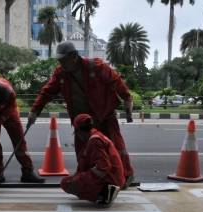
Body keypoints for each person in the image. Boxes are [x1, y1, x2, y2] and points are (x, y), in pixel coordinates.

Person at [27, 41, 135, 190]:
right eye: (59, 61)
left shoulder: (95, 66)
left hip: (104, 114)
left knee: (116, 146)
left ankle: (127, 174)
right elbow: (47, 91)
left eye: (64, 60)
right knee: (83, 151)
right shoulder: (60, 73)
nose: (61, 64)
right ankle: (85, 177)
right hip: (83, 121)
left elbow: (116, 80)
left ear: (74, 56)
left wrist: (127, 99)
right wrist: (35, 111)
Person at [0, 77, 45, 183]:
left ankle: (27, 170)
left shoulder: (10, 94)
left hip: (9, 113)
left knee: (19, 139)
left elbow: (4, 116)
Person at [61, 113, 124, 208]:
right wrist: (78, 178)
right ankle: (97, 191)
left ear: (78, 130)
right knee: (73, 181)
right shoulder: (96, 137)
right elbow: (84, 165)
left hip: (111, 178)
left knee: (66, 183)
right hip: (113, 175)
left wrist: (80, 180)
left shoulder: (94, 141)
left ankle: (105, 193)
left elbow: (103, 167)